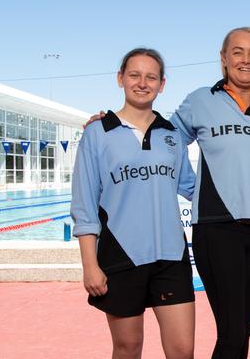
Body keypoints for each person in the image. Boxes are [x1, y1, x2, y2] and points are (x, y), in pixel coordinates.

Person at [170, 27, 250, 359]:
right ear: (224, 59)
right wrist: (190, 187)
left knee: (244, 328)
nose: (246, 60)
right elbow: (166, 142)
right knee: (233, 330)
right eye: (237, 52)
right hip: (217, 227)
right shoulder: (201, 100)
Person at [71, 48, 196, 359]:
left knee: (183, 350)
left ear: (162, 84)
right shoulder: (98, 133)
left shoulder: (172, 136)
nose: (143, 83)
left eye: (151, 77)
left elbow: (193, 188)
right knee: (128, 347)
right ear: (120, 79)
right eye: (134, 75)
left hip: (170, 255)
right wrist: (90, 265)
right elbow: (84, 203)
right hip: (121, 254)